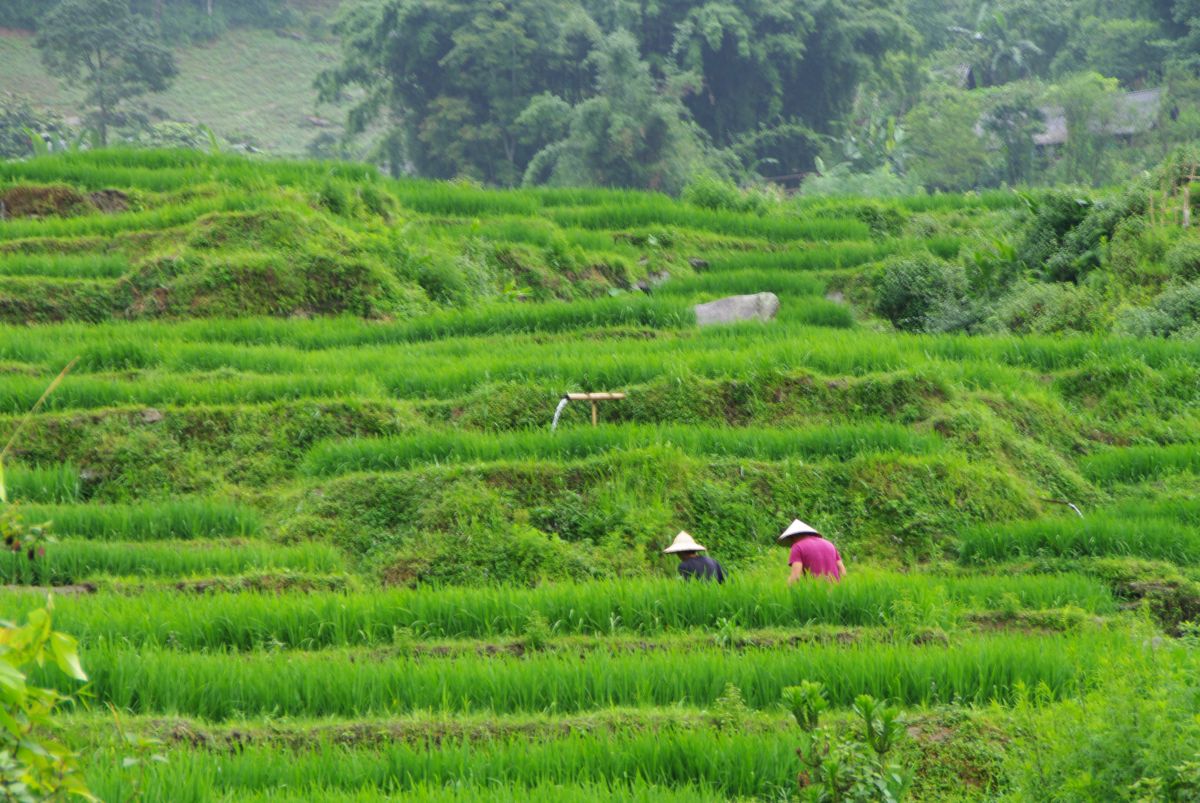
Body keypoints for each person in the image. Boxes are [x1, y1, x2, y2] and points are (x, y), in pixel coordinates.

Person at [777, 519, 845, 583]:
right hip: (836, 591)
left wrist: (785, 590)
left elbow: (796, 577)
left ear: (792, 537)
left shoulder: (797, 547)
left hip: (815, 592)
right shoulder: (830, 544)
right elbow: (843, 572)